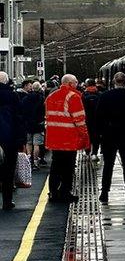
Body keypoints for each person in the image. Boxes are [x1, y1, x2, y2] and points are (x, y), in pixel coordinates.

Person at [45, 74, 89, 203]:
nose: (77, 85)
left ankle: (53, 192)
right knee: (68, 167)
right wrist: (85, 137)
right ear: (70, 83)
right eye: (75, 82)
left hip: (54, 138)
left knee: (55, 166)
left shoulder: (51, 96)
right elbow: (80, 121)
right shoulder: (74, 97)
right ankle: (65, 192)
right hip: (68, 139)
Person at [96, 72, 125, 203]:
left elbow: (98, 116)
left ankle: (104, 193)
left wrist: (100, 133)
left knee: (108, 164)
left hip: (109, 134)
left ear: (114, 82)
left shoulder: (105, 96)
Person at [0, 72, 27, 210]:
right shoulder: (13, 96)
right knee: (8, 171)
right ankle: (7, 201)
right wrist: (21, 139)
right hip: (9, 138)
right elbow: (19, 119)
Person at [21, 81, 45, 168]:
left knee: (28, 143)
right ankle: (35, 161)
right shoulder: (41, 98)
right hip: (38, 124)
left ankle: (29, 159)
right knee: (37, 144)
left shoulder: (25, 98)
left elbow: (22, 111)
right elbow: (44, 111)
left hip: (28, 124)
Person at [82, 79, 100, 162]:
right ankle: (94, 153)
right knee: (96, 136)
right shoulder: (99, 94)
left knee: (87, 136)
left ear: (87, 85)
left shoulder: (84, 95)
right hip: (97, 119)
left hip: (86, 119)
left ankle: (87, 152)